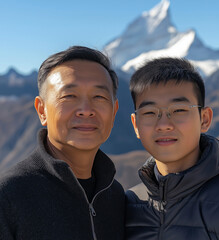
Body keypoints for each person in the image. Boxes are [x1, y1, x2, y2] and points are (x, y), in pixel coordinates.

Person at [0, 46, 125, 240]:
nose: (86, 110)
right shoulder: (8, 196)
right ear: (42, 110)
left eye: (99, 97)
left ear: (114, 111)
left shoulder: (116, 196)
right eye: (69, 96)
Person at [125, 57, 219, 239]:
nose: (163, 124)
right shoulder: (128, 203)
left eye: (179, 110)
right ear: (136, 125)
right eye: (149, 113)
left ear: (204, 119)